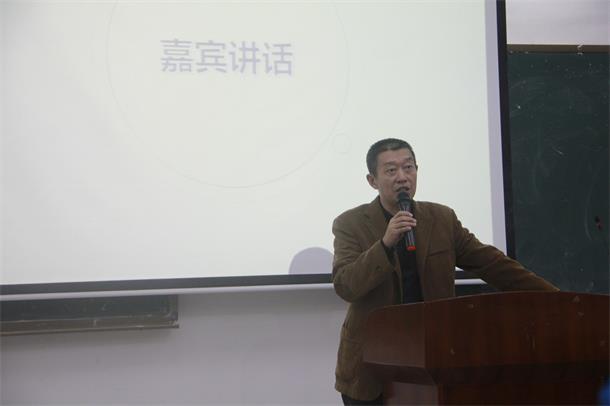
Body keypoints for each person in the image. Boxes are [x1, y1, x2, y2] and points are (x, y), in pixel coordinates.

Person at [332, 138, 558, 405]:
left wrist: (554, 297)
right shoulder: (350, 224)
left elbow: (492, 264)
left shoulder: (441, 219)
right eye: (391, 170)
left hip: (433, 358)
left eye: (408, 167)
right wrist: (385, 244)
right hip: (372, 364)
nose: (402, 177)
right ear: (372, 180)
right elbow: (346, 285)